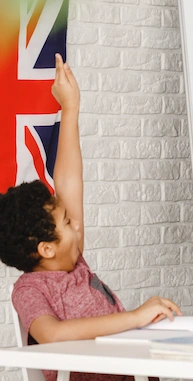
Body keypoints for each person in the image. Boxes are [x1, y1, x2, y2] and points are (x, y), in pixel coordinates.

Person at [0, 55, 181, 381]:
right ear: (46, 249)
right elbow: (52, 334)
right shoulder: (29, 290)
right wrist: (135, 317)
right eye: (67, 223)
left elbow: (70, 182)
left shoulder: (74, 262)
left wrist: (70, 109)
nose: (78, 224)